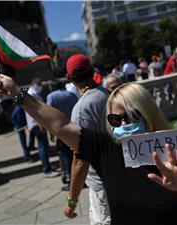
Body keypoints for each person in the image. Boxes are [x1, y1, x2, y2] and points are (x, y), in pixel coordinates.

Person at [0, 74, 177, 225]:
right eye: (116, 120)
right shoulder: (107, 149)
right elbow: (61, 125)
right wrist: (18, 93)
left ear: (148, 112)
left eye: (131, 116)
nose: (124, 124)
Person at [65, 54, 111, 225]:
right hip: (113, 175)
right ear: (92, 72)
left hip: (101, 184)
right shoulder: (105, 93)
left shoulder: (81, 109)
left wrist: (71, 202)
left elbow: (80, 161)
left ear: (69, 78)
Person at [46, 79, 78, 191]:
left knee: (65, 156)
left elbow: (49, 116)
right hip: (74, 128)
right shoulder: (71, 94)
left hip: (61, 131)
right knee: (75, 155)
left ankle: (71, 181)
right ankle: (79, 179)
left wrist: (51, 132)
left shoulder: (51, 96)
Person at [26, 78, 60, 178]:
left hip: (37, 123)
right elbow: (35, 112)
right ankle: (46, 169)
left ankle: (47, 166)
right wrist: (41, 124)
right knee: (43, 147)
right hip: (38, 124)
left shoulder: (32, 93)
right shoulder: (31, 94)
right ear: (36, 85)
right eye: (40, 85)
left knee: (44, 146)